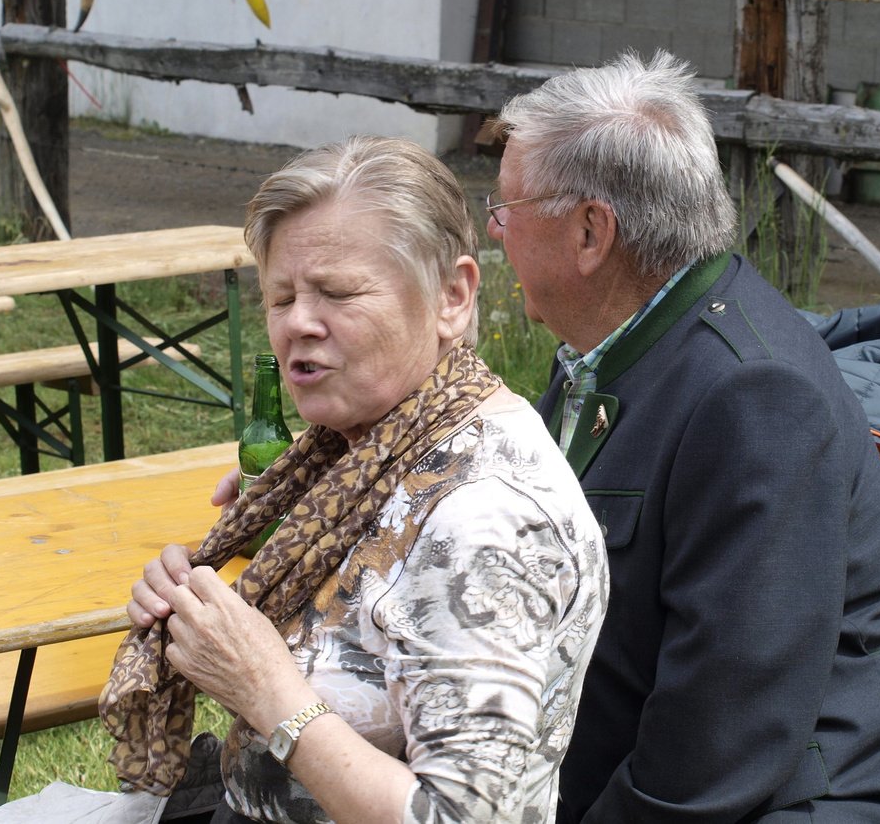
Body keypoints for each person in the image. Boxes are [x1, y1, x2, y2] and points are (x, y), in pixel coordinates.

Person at [484, 50, 880, 821]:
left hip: (812, 801)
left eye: (505, 208)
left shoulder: (755, 398)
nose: (495, 230)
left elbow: (719, 742)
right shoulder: (614, 342)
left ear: (590, 232)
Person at [108, 136, 608, 824]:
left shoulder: (484, 520)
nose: (298, 324)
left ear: (453, 296)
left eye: (338, 293)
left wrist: (265, 689)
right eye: (280, 297)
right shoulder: (373, 451)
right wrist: (197, 610)